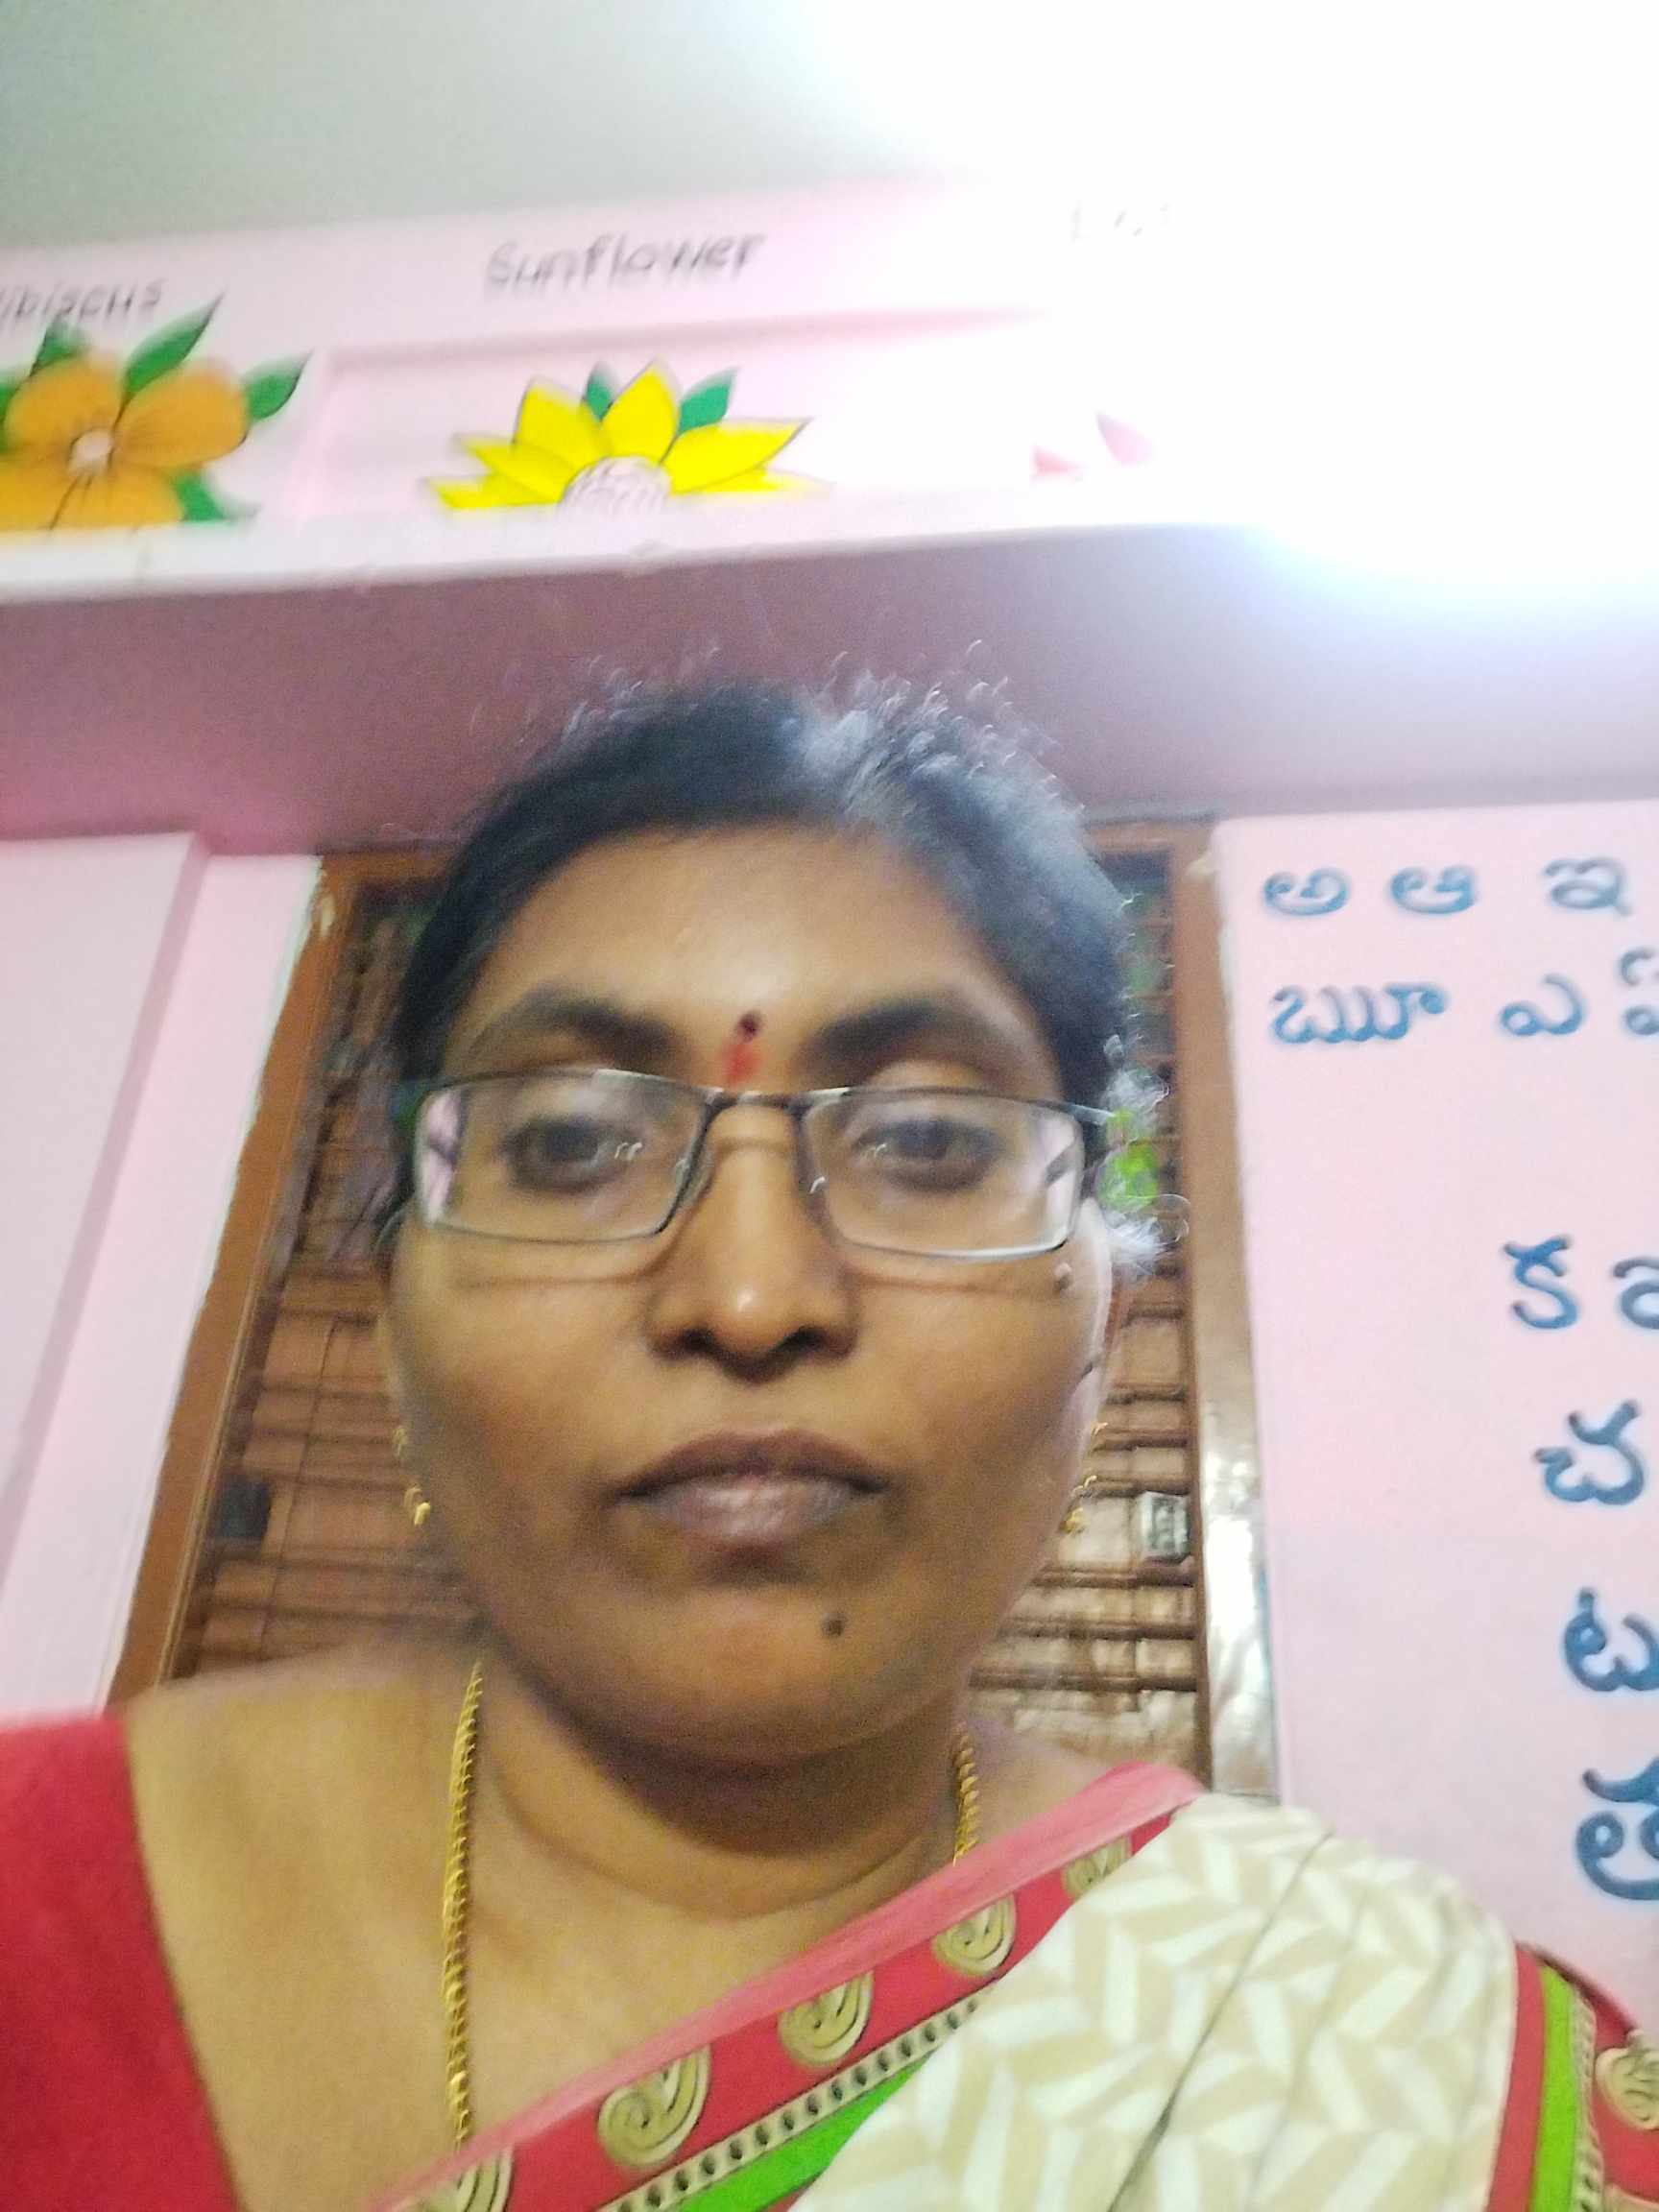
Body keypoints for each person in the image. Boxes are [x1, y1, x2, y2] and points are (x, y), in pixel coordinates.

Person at [3, 681, 1654, 2212]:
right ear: (393, 1322)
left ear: (1104, 1323)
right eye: (569, 1141)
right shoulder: (33, 1889)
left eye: (927, 1141)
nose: (749, 1297)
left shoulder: (1395, 2061)